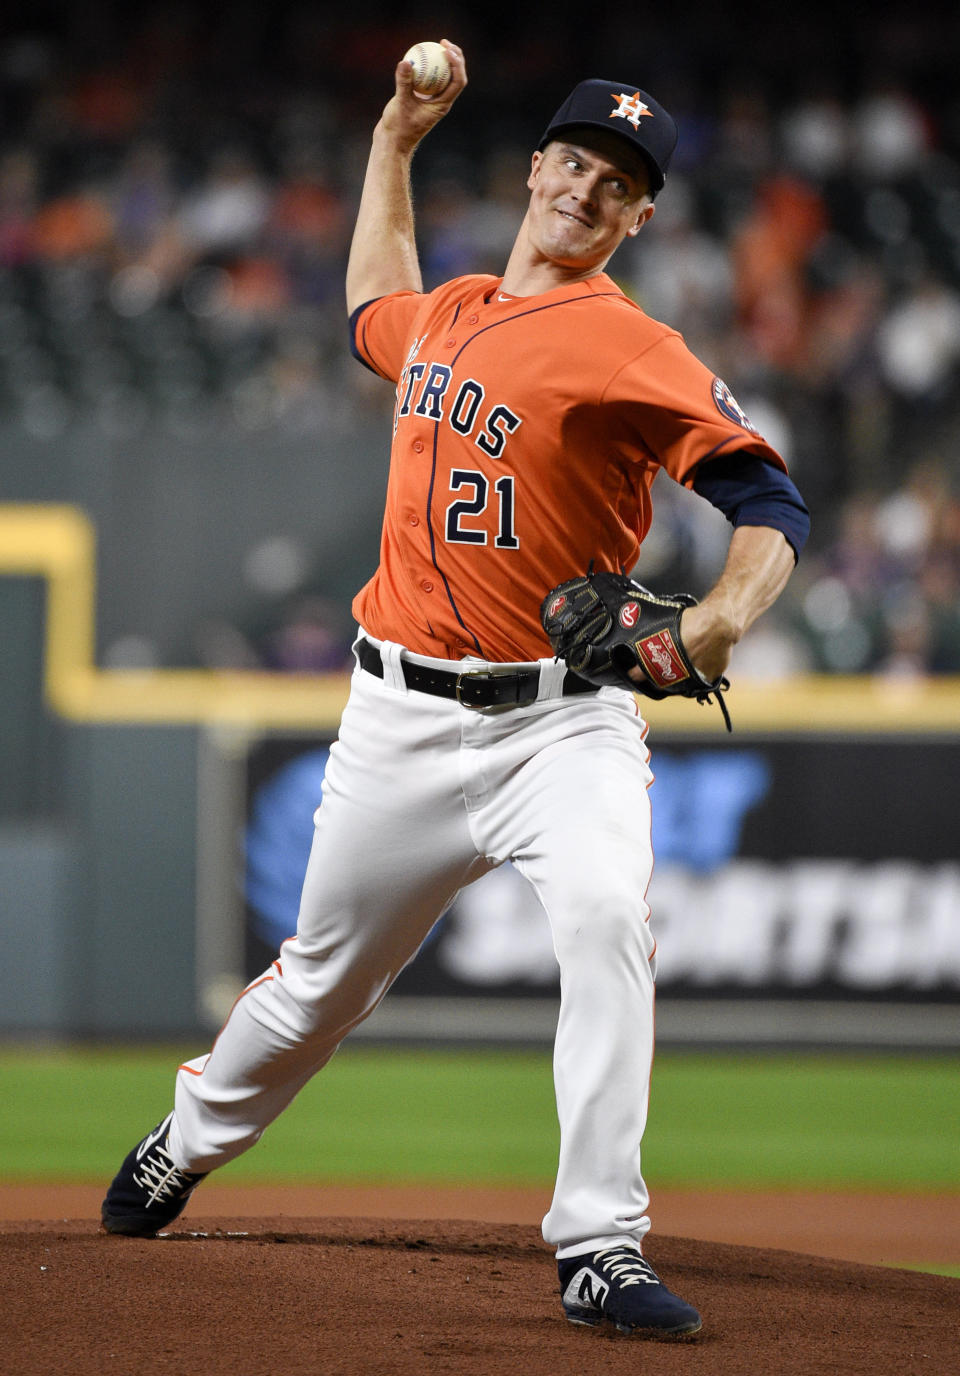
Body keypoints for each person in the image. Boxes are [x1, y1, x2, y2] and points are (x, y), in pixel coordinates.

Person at [101, 44, 809, 1339]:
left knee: (606, 920)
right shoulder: (452, 315)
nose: (591, 190)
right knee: (316, 987)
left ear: (639, 218)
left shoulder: (630, 346)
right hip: (399, 722)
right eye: (579, 161)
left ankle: (598, 1241)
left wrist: (715, 625)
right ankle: (187, 1139)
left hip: (561, 722)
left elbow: (770, 501)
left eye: (621, 184)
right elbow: (375, 298)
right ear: (537, 168)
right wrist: (394, 139)